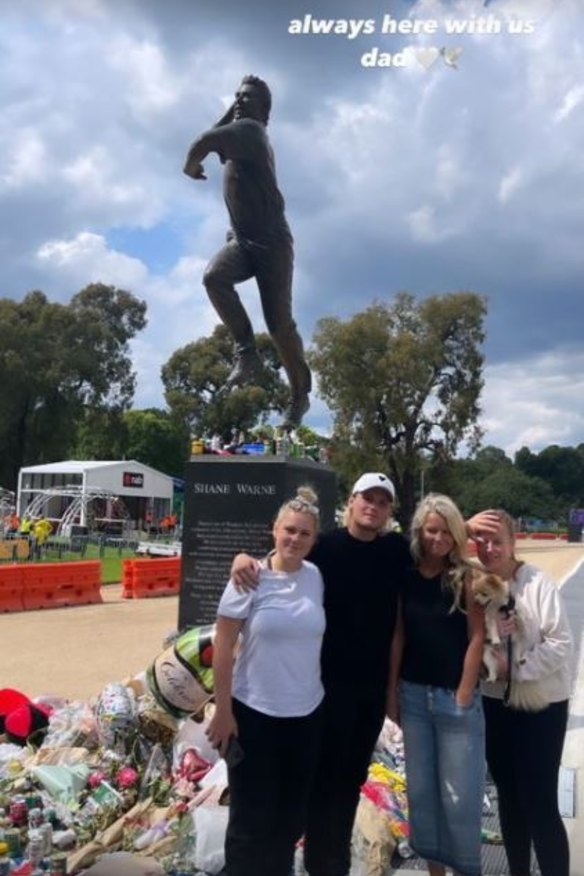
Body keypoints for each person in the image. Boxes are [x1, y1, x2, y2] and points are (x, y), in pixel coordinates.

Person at [231, 477, 499, 876]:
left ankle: (331, 867)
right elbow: (286, 553)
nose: (373, 506)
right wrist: (244, 559)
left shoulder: (396, 552)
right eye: (367, 499)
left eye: (382, 502)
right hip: (320, 693)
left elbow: (440, 543)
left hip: (369, 695)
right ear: (351, 502)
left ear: (390, 512)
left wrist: (470, 527)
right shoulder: (324, 546)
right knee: (312, 788)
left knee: (346, 788)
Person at [206, 486, 325, 876]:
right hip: (254, 712)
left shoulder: (315, 577)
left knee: (290, 819)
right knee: (250, 822)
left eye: (304, 533)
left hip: (305, 714)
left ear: (314, 539)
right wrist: (223, 711)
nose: (295, 539)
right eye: (289, 530)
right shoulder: (249, 577)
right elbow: (222, 645)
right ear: (274, 529)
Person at [184, 74, 312, 428]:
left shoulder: (252, 134)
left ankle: (300, 394)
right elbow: (216, 131)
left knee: (280, 326)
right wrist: (237, 102)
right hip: (241, 240)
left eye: (248, 98)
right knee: (214, 278)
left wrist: (190, 166)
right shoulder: (240, 130)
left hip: (273, 243)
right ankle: (246, 354)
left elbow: (204, 140)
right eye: (236, 96)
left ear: (264, 112)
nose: (239, 101)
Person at [389, 494, 486, 876]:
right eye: (432, 530)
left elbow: (476, 636)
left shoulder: (465, 576)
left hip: (454, 698)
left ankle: (466, 869)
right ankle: (435, 872)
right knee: (422, 793)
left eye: (447, 531)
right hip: (412, 695)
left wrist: (464, 690)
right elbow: (398, 634)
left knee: (460, 795)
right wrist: (391, 691)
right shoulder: (408, 577)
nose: (438, 538)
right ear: (420, 531)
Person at [474, 509, 573, 876]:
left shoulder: (536, 584)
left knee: (540, 801)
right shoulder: (474, 583)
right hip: (494, 704)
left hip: (541, 706)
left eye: (497, 540)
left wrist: (511, 668)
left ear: (513, 543)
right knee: (509, 800)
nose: (489, 548)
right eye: (481, 541)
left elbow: (560, 644)